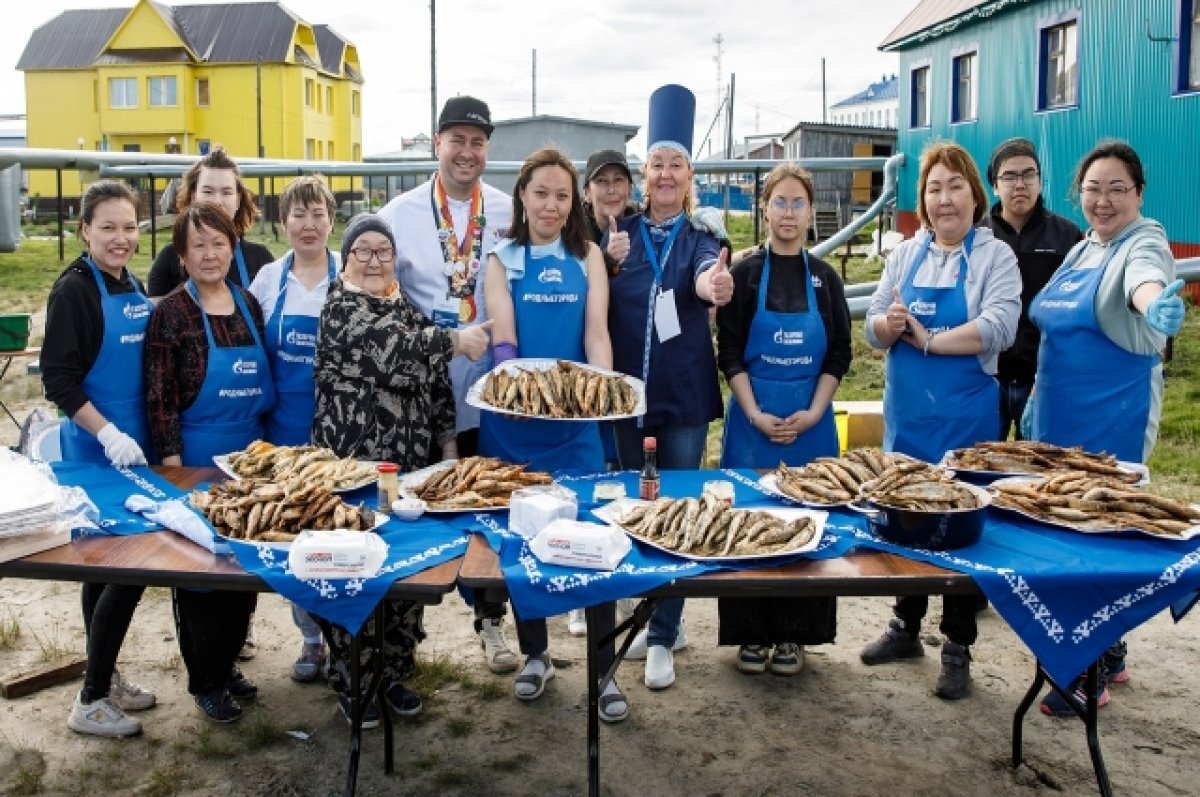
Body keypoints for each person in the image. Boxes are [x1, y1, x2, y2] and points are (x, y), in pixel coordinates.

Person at [310, 213, 491, 727]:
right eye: (362, 251)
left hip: (410, 474)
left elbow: (437, 387)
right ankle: (353, 681)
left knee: (404, 573)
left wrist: (449, 449)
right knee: (355, 572)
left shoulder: (406, 307)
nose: (372, 260)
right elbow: (393, 350)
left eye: (382, 252)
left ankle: (392, 674)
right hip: (353, 476)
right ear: (345, 260)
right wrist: (456, 339)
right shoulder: (340, 310)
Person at [1024, 140, 1185, 716]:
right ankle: (1089, 650)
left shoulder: (1145, 241)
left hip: (1113, 417)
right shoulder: (1081, 250)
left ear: (1139, 193)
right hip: (1056, 419)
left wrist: (1153, 306)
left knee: (1103, 539)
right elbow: (1053, 330)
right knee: (1063, 537)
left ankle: (1100, 662)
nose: (1105, 200)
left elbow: (1144, 279)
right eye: (1094, 188)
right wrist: (1037, 399)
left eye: (1118, 188)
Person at [860, 141, 1020, 700]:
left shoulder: (995, 257)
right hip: (908, 419)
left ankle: (957, 646)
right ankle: (905, 626)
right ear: (922, 201)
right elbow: (873, 323)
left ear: (975, 196)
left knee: (959, 528)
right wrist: (889, 326)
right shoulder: (905, 255)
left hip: (964, 421)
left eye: (955, 187)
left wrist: (929, 339)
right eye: (933, 189)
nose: (944, 199)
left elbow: (999, 325)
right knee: (905, 516)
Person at [476, 147, 627, 722]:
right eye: (541, 193)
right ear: (522, 195)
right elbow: (505, 341)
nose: (551, 204)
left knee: (595, 542)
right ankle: (535, 654)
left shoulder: (587, 255)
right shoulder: (502, 257)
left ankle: (605, 669)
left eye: (562, 195)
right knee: (522, 547)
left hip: (574, 427)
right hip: (513, 426)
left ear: (574, 202)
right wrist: (519, 388)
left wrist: (604, 391)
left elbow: (595, 336)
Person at [377, 95, 519, 675]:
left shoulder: (510, 211)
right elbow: (377, 297)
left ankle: (490, 621)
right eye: (456, 140)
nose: (467, 152)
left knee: (491, 508)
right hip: (420, 396)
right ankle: (399, 642)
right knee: (416, 511)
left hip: (491, 391)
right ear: (436, 144)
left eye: (478, 142)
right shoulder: (399, 213)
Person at [604, 84, 734, 691]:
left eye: (675, 163)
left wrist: (714, 286)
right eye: (655, 162)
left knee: (677, 508)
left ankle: (662, 637)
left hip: (682, 397)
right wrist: (606, 258)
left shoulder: (701, 236)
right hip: (627, 399)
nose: (664, 173)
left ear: (689, 176)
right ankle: (648, 609)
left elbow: (710, 275)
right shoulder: (620, 235)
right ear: (642, 173)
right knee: (637, 506)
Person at [715, 163, 850, 676]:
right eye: (779, 202)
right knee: (749, 522)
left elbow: (839, 351)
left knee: (806, 526)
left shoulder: (826, 277)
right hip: (753, 425)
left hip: (810, 424)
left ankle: (796, 635)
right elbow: (728, 349)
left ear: (810, 211)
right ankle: (751, 632)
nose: (789, 213)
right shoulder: (746, 274)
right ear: (765, 209)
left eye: (798, 203)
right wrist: (753, 413)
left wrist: (815, 411)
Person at [144, 203, 274, 722]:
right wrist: (174, 466)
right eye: (198, 245)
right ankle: (206, 679)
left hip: (249, 459)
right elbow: (160, 398)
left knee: (241, 568)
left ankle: (227, 662)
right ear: (182, 254)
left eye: (218, 243)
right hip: (195, 457)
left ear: (232, 246)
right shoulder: (171, 314)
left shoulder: (247, 303)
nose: (210, 253)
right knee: (199, 575)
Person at [42, 180, 157, 737]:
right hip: (96, 452)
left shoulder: (128, 281)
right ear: (84, 230)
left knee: (103, 573)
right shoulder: (75, 291)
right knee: (128, 570)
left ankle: (103, 675)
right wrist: (108, 433)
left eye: (129, 227)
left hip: (134, 450)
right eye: (108, 227)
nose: (121, 238)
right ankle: (89, 700)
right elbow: (58, 380)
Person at [248, 175, 339, 683]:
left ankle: (343, 638)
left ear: (331, 220)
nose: (308, 225)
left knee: (335, 533)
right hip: (282, 431)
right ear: (283, 224)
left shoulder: (348, 274)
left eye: (317, 214)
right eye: (298, 216)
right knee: (291, 538)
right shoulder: (267, 280)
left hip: (336, 435)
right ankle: (310, 639)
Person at [981, 138, 1082, 439]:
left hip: (1043, 379)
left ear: (1040, 181)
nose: (1020, 184)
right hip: (987, 377)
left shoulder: (1067, 236)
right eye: (1009, 176)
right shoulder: (978, 235)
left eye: (1028, 174)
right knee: (978, 468)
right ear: (995, 186)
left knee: (1038, 476)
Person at [146, 147, 274, 299]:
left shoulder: (261, 260)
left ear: (238, 200)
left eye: (226, 192)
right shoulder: (169, 258)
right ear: (193, 197)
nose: (217, 201)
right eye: (208, 192)